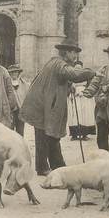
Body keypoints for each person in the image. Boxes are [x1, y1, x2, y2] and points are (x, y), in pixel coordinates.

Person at [20, 38, 96, 176]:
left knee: (49, 135)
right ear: (66, 53)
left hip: (43, 105)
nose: (75, 56)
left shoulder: (54, 62)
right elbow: (73, 74)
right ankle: (44, 168)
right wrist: (91, 73)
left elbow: (59, 80)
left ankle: (56, 166)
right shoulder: (59, 64)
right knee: (45, 136)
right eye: (73, 53)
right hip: (43, 106)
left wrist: (68, 85)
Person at [67, 61, 96, 141]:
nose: (78, 70)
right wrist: (71, 90)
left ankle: (84, 134)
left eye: (79, 68)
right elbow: (68, 85)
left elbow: (90, 86)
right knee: (74, 116)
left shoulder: (86, 76)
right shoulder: (71, 76)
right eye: (76, 68)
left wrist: (83, 92)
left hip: (83, 97)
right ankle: (74, 135)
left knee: (84, 116)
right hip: (74, 96)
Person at [7, 64, 30, 136]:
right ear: (9, 74)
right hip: (10, 111)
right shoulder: (6, 84)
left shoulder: (24, 84)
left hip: (20, 112)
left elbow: (27, 97)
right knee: (9, 131)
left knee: (20, 131)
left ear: (18, 73)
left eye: (16, 72)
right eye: (12, 72)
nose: (14, 74)